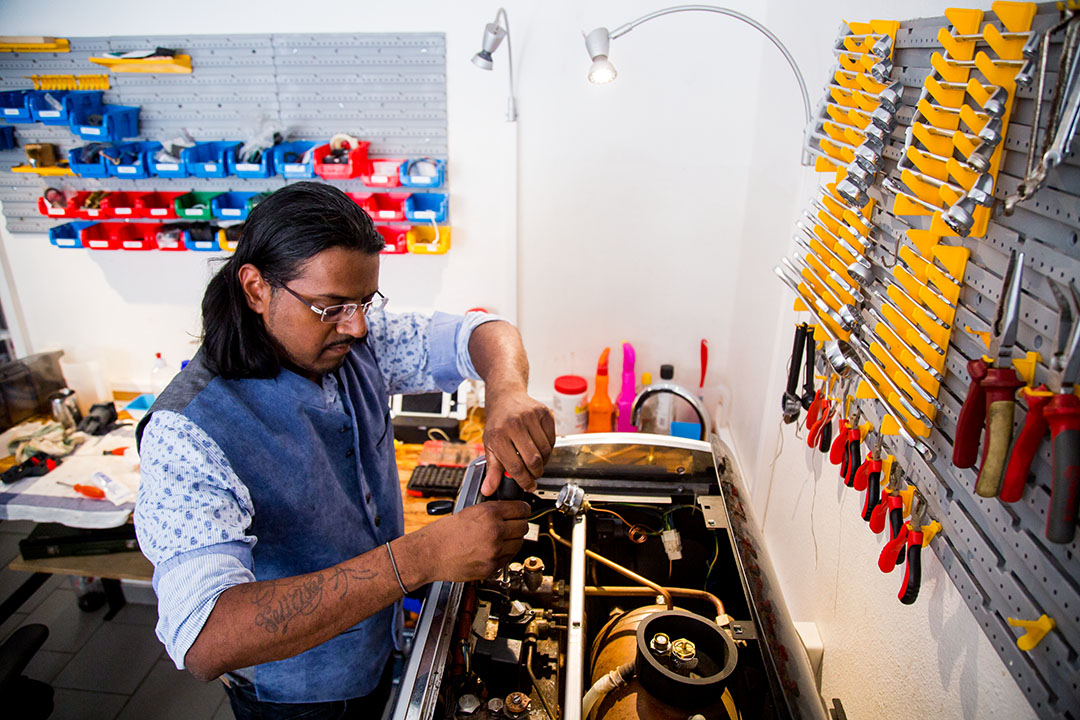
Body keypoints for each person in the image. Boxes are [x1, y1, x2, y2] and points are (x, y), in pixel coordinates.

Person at [134, 182, 556, 719]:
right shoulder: (187, 431)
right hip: (299, 698)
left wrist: (507, 390)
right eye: (330, 307)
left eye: (364, 302)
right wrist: (423, 558)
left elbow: (483, 331)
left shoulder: (352, 338)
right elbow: (205, 638)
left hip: (378, 648)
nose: (356, 326)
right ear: (257, 288)